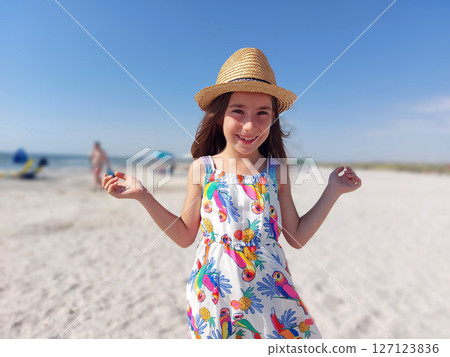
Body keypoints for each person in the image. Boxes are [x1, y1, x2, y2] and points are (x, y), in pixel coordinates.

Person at [101, 48, 362, 339]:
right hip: (215, 296)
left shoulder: (276, 171)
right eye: (238, 111)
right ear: (218, 116)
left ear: (274, 118)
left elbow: (296, 237)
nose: (251, 125)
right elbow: (186, 235)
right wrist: (143, 196)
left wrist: (333, 191)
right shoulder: (203, 168)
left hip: (272, 292)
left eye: (263, 113)